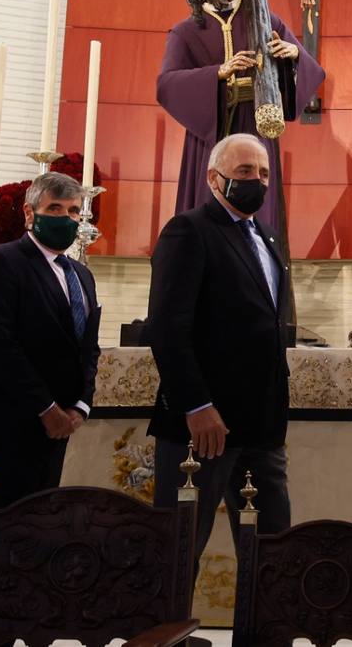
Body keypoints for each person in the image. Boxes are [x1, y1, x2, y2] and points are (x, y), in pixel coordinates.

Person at [147, 133, 292, 570]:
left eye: (264, 173)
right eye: (245, 171)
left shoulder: (266, 236)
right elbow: (168, 327)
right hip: (204, 425)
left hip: (261, 426)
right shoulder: (188, 230)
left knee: (272, 546)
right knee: (180, 548)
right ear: (214, 178)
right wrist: (196, 405)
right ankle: (168, 638)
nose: (257, 181)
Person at [156, 0, 324, 238]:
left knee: (259, 208)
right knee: (212, 204)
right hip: (213, 127)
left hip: (255, 123)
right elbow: (167, 84)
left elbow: (311, 69)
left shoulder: (260, 17)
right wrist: (218, 73)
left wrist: (293, 54)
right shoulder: (185, 32)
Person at [0, 172, 101, 508]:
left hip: (59, 423)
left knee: (38, 527)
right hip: (5, 422)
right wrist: (46, 408)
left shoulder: (82, 275)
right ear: (30, 213)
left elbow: (88, 346)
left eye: (74, 211)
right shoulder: (1, 262)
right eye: (55, 208)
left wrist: (81, 404)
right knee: (3, 529)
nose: (66, 218)